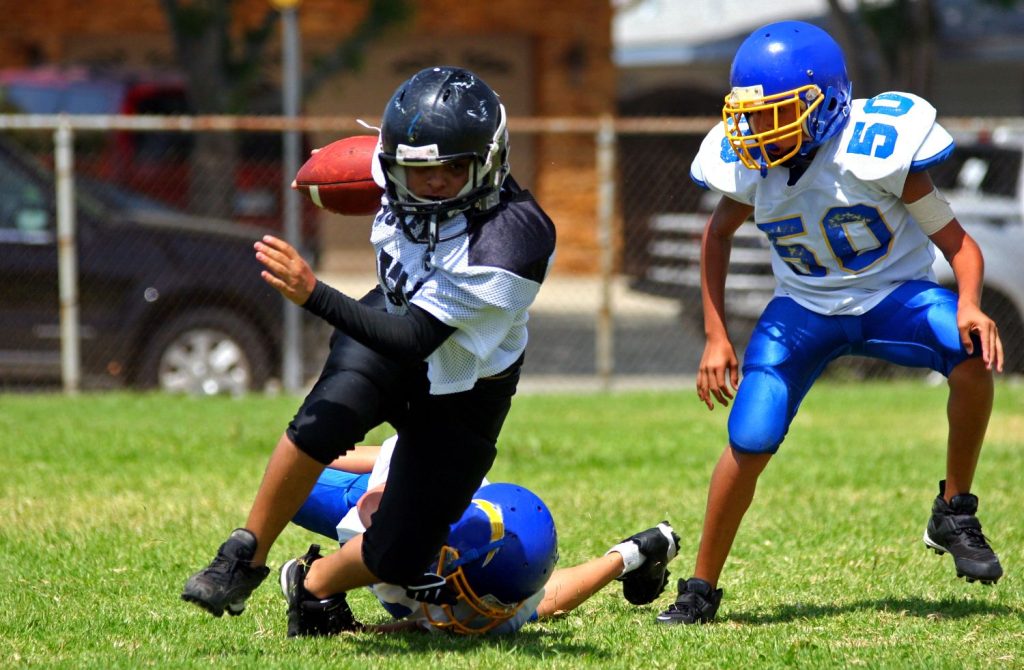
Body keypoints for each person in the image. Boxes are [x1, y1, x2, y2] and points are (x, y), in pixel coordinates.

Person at [181, 66, 558, 627]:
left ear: (489, 160)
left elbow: (418, 341)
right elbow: (359, 174)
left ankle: (312, 585)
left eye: (454, 168)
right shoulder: (393, 168)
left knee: (400, 555)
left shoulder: (513, 238)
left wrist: (314, 295)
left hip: (465, 377)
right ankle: (242, 555)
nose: (433, 183)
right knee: (324, 418)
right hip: (392, 314)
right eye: (417, 169)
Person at [656, 21, 1005, 626]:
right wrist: (717, 334)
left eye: (775, 113)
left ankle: (954, 509)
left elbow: (962, 247)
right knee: (751, 436)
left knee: (970, 355)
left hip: (894, 296)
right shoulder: (753, 168)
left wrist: (970, 302)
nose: (757, 130)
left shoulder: (876, 152)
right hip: (804, 311)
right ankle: (700, 589)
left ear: (826, 103)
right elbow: (715, 237)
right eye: (751, 115)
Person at [281, 436, 681, 635]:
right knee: (292, 485)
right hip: (375, 492)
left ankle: (639, 554)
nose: (486, 613)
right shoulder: (416, 503)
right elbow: (394, 450)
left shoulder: (508, 587)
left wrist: (626, 556)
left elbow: (544, 599)